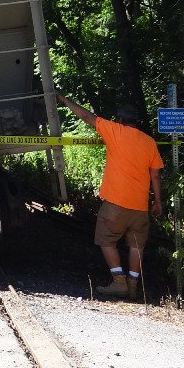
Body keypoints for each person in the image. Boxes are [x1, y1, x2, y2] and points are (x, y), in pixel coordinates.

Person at [56, 94, 163, 301]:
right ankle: (133, 286)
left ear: (120, 120)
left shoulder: (114, 130)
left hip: (115, 204)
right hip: (140, 206)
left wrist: (65, 100)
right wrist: (157, 202)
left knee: (106, 240)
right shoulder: (149, 142)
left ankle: (119, 282)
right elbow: (156, 174)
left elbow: (86, 116)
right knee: (136, 246)